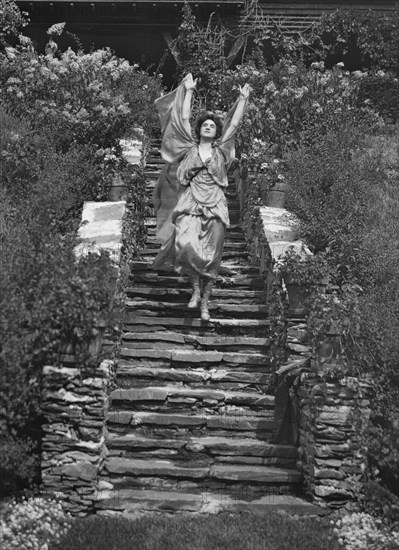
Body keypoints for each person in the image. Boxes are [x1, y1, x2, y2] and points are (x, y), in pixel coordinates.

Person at [152, 73, 250, 321]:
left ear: (217, 132)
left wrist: (242, 100)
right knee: (186, 244)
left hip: (215, 203)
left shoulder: (222, 151)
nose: (209, 126)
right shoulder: (188, 148)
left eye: (213, 125)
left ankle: (205, 302)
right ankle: (195, 289)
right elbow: (184, 117)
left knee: (211, 256)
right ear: (199, 130)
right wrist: (190, 91)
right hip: (191, 201)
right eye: (205, 124)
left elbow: (234, 125)